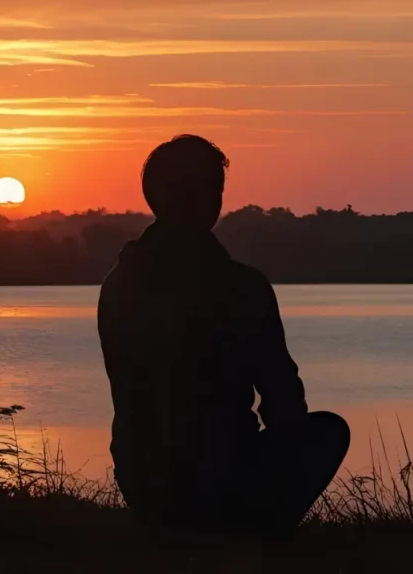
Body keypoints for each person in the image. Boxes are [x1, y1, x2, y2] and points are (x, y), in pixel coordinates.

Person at [98, 134, 350, 538]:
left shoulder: (117, 282)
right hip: (221, 476)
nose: (209, 198)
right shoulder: (241, 287)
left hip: (141, 480)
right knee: (329, 431)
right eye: (205, 188)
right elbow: (283, 398)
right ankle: (259, 532)